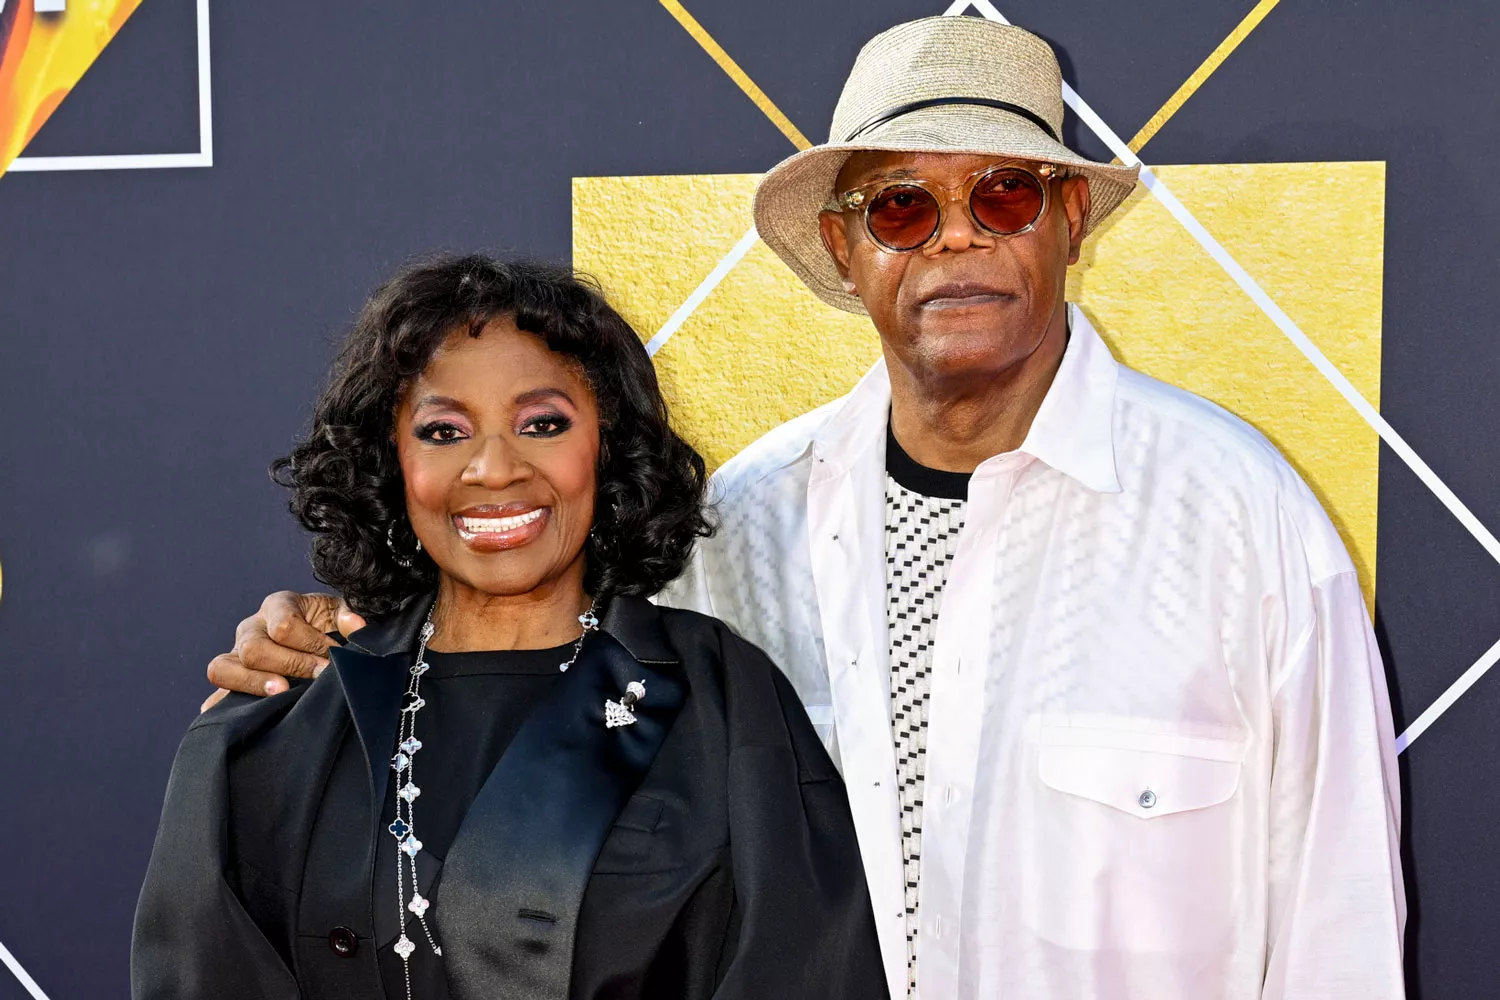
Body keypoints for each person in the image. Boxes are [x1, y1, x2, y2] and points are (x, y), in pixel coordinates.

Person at [201, 17, 1406, 1000]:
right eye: (899, 206)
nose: (955, 240)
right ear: (844, 245)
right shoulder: (737, 530)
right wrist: (333, 646)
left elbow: (1340, 926)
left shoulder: (1243, 519)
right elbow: (516, 689)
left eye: (1004, 194)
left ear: (1070, 220)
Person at [133, 256, 888, 1000]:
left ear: (607, 444)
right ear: (390, 461)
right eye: (442, 431)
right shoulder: (286, 713)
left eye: (542, 423)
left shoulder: (721, 699)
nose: (494, 468)